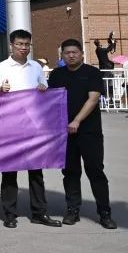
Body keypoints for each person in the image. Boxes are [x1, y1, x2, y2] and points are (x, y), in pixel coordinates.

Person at [0, 29, 61, 229]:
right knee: (9, 172)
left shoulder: (36, 67)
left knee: (36, 171)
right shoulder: (1, 67)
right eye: (19, 44)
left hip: (33, 127)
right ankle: (9, 214)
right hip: (9, 127)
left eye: (26, 44)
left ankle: (39, 212)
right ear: (11, 45)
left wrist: (43, 88)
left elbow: (45, 91)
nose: (23, 48)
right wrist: (0, 90)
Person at [48, 39, 117, 229]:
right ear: (62, 55)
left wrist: (77, 120)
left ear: (82, 54)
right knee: (70, 173)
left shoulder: (92, 73)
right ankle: (72, 210)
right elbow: (50, 100)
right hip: (64, 133)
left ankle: (105, 213)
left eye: (74, 52)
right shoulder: (56, 74)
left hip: (89, 132)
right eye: (67, 53)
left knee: (95, 171)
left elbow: (93, 99)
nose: (71, 55)